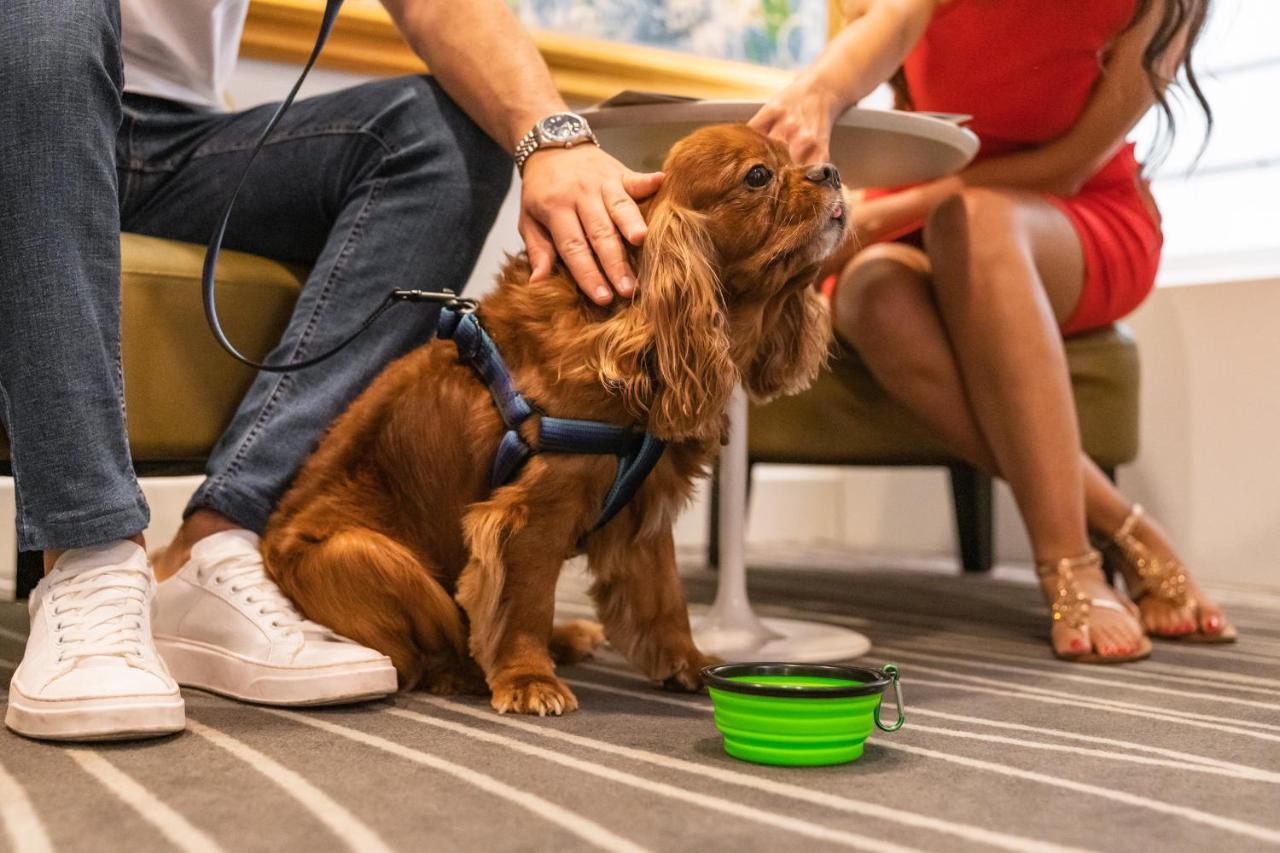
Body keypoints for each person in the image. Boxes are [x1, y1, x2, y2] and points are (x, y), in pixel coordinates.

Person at [0, 0, 661, 740]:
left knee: (441, 134)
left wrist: (551, 137)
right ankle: (90, 563)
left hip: (173, 132)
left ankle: (217, 543)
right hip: (20, 80)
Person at [751, 0, 1233, 663]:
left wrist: (894, 212)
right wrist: (814, 96)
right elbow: (888, 27)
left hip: (1076, 211)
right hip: (933, 203)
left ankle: (1071, 562)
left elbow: (1068, 164)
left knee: (975, 224)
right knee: (869, 296)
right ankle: (1128, 524)